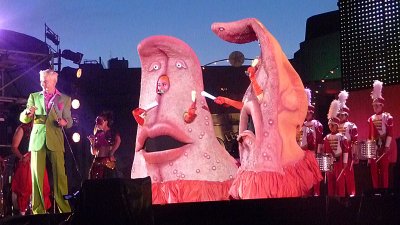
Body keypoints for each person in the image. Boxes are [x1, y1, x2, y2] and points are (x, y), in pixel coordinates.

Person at [19, 69, 72, 214]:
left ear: (54, 81)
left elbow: (70, 121)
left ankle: (65, 210)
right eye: (41, 80)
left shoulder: (64, 99)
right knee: (36, 176)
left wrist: (64, 121)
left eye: (45, 81)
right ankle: (38, 211)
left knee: (60, 176)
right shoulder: (34, 97)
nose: (42, 83)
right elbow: (23, 118)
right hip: (38, 140)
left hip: (55, 139)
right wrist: (28, 113)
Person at [11, 122, 51, 215]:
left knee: (42, 188)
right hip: (25, 163)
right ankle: (23, 215)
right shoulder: (22, 128)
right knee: (24, 190)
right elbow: (14, 147)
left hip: (38, 161)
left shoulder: (42, 127)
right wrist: (22, 157)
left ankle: (39, 214)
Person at [297, 88, 323, 196]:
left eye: (309, 112)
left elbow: (320, 140)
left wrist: (318, 152)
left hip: (313, 153)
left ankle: (316, 194)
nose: (307, 114)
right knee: (305, 175)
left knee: (314, 174)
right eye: (306, 112)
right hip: (303, 154)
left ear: (312, 113)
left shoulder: (317, 124)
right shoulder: (301, 125)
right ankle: (306, 193)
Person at [368, 80, 394, 189]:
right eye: (374, 105)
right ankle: (376, 190)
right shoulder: (370, 119)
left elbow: (390, 133)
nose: (375, 107)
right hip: (374, 147)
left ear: (382, 105)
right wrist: (369, 154)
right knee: (374, 171)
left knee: (384, 170)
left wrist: (387, 146)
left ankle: (385, 191)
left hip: (384, 147)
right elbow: (370, 136)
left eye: (377, 105)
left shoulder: (388, 117)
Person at [323, 99, 350, 197]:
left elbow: (346, 150)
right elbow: (325, 152)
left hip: (339, 163)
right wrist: (325, 165)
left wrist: (345, 162)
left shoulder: (342, 137)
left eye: (333, 125)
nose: (331, 127)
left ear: (337, 126)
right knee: (330, 184)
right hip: (330, 164)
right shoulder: (326, 138)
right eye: (330, 125)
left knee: (340, 183)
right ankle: (331, 201)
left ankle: (341, 200)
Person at [87, 111, 121, 179]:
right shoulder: (97, 134)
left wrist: (112, 152)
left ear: (106, 121)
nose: (97, 124)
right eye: (96, 121)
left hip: (107, 163)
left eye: (99, 121)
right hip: (97, 163)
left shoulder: (112, 133)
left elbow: (118, 140)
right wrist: (92, 143)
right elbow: (93, 152)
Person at [337, 90, 357, 197]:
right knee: (339, 175)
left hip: (348, 153)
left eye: (342, 115)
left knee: (349, 174)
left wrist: (354, 153)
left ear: (346, 114)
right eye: (339, 114)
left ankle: (352, 194)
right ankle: (341, 195)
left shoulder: (351, 125)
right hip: (338, 154)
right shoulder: (336, 126)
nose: (340, 116)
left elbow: (354, 141)